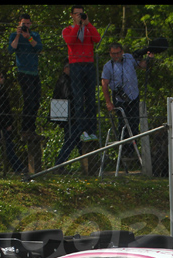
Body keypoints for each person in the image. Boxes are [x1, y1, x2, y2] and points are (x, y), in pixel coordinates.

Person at [101, 42, 154, 159]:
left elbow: (141, 65)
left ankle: (133, 150)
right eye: (113, 54)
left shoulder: (129, 58)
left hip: (134, 96)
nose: (116, 56)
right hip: (119, 99)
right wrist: (108, 102)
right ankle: (124, 150)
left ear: (122, 52)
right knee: (123, 124)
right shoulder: (108, 66)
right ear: (110, 54)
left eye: (118, 53)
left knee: (135, 123)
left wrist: (149, 58)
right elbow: (104, 84)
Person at [62, 5, 101, 143]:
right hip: (76, 65)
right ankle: (82, 130)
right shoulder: (68, 30)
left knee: (90, 98)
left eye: (81, 14)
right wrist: (77, 26)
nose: (79, 16)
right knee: (79, 99)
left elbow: (97, 39)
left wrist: (87, 23)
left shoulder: (88, 28)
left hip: (88, 64)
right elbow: (70, 41)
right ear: (72, 15)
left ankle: (92, 130)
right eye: (77, 14)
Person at [8, 13, 43, 141]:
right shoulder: (14, 35)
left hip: (34, 72)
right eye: (24, 24)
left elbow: (39, 47)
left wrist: (28, 38)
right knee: (28, 99)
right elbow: (11, 49)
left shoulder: (34, 35)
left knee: (36, 100)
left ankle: (31, 129)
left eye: (28, 24)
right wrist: (18, 35)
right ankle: (24, 129)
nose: (26, 26)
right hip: (23, 71)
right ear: (19, 24)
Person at [0, 70, 24, 173]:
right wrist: (7, 123)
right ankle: (18, 167)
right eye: (1, 77)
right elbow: (1, 109)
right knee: (5, 145)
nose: (3, 79)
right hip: (0, 123)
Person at [51, 62, 81, 170]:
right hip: (69, 114)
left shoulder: (66, 80)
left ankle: (90, 164)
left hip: (68, 114)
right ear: (66, 68)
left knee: (77, 139)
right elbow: (67, 95)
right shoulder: (65, 80)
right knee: (71, 138)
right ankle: (59, 164)